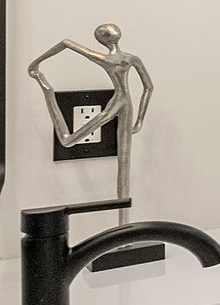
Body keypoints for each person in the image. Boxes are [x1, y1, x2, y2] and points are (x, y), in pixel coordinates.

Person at [28, 23, 153, 201]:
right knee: (124, 164)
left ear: (101, 40)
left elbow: (66, 43)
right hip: (127, 104)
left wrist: (35, 65)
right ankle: (123, 223)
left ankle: (47, 89)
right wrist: (140, 120)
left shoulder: (103, 59)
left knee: (67, 140)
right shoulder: (132, 58)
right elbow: (148, 87)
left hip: (117, 103)